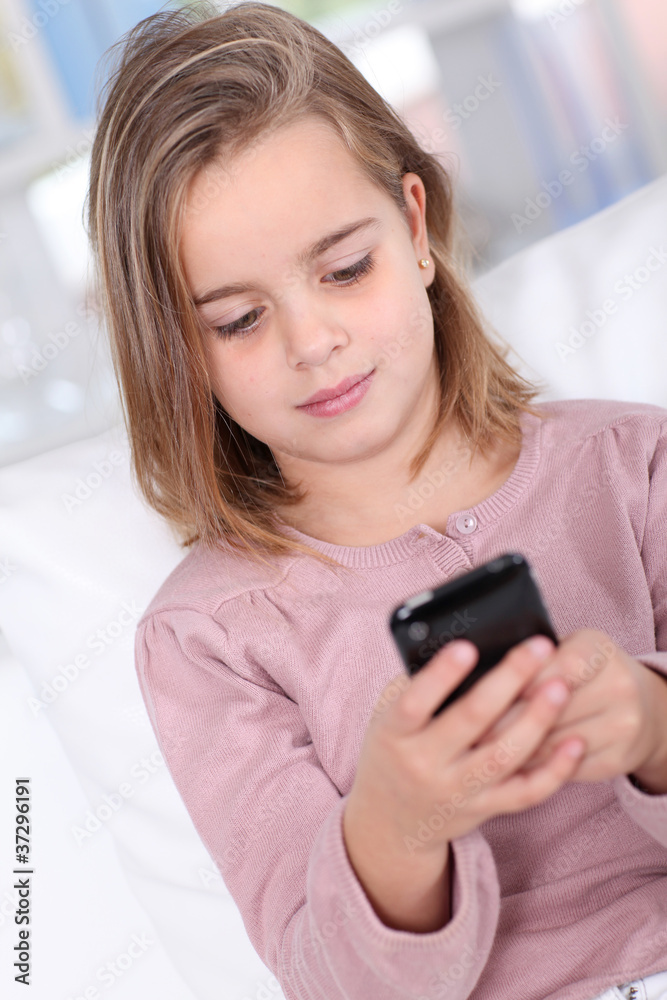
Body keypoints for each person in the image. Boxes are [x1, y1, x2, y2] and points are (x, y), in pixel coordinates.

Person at [85, 3, 667, 999]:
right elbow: (329, 976)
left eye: (344, 269)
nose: (313, 342)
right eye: (238, 319)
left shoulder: (632, 464)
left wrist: (650, 724)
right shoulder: (210, 638)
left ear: (414, 226)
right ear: (176, 351)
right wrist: (397, 822)